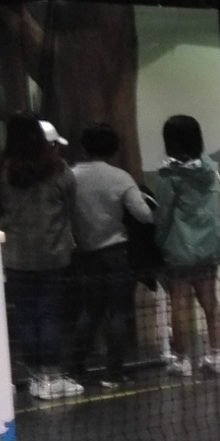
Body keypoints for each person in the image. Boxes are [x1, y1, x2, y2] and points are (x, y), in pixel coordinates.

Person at [0, 114, 82, 401]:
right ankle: (52, 377)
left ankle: (34, 376)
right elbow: (71, 205)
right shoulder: (57, 168)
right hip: (53, 254)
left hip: (15, 256)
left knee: (26, 316)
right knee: (48, 315)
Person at [67, 124, 151, 388]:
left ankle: (75, 368)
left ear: (84, 147)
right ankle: (114, 372)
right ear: (114, 149)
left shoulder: (71, 176)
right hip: (117, 252)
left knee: (89, 311)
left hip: (86, 254)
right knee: (118, 312)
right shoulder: (120, 177)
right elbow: (144, 215)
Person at [151, 114, 220, 378]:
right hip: (209, 247)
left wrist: (158, 243)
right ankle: (216, 356)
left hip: (180, 249)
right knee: (210, 302)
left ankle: (182, 360)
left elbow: (162, 215)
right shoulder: (209, 169)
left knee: (180, 304)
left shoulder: (169, 175)